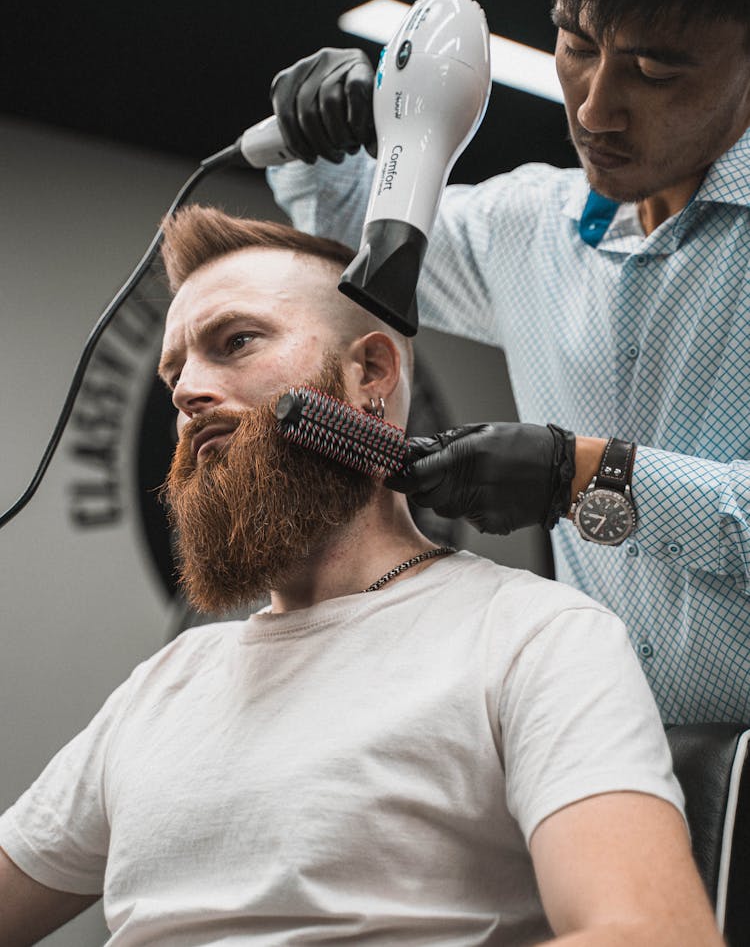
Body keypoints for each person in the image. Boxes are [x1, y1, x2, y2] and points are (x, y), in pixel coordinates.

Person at [0, 206, 722, 945]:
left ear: (369, 371)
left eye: (236, 341)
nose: (186, 392)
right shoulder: (161, 687)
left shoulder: (532, 637)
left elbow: (653, 934)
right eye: (175, 369)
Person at [265, 0, 750, 726]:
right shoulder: (530, 227)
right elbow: (355, 230)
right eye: (577, 43)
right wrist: (318, 137)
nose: (597, 105)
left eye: (655, 68)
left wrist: (585, 476)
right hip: (609, 756)